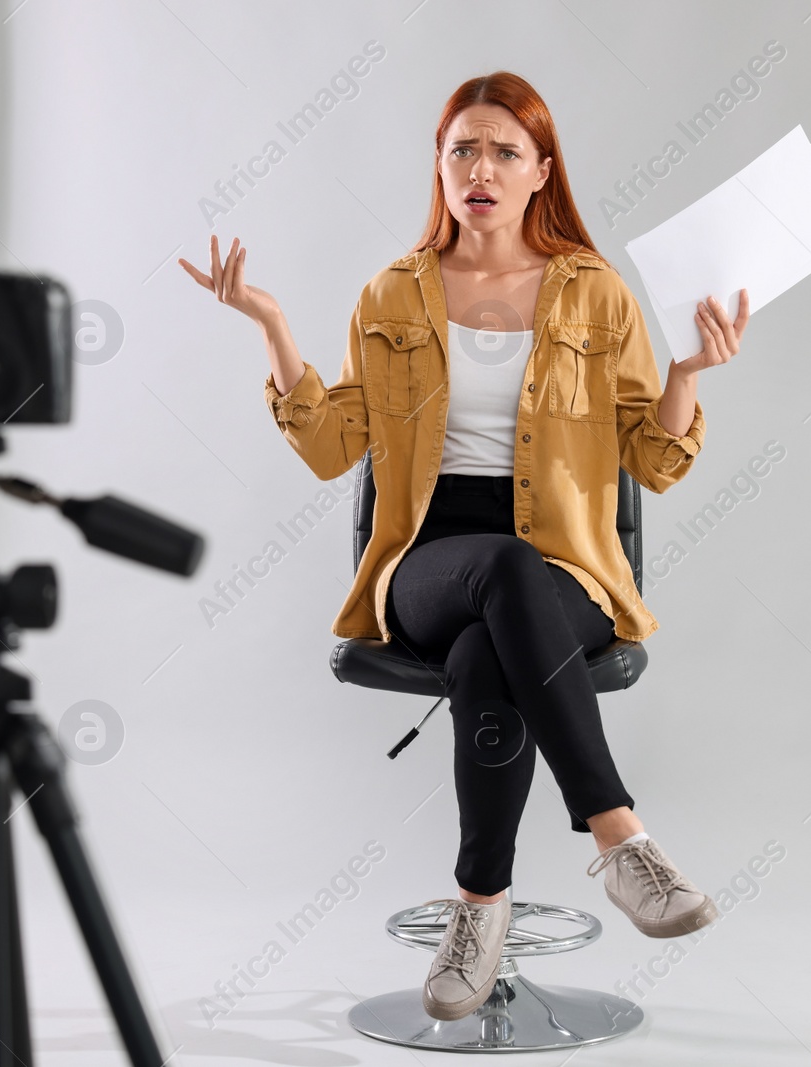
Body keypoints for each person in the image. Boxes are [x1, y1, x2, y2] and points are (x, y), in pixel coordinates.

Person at [180, 71, 747, 1022]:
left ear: (541, 172)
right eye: (461, 150)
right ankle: (620, 838)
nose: (479, 168)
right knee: (496, 572)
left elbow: (656, 460)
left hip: (566, 572)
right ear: (439, 168)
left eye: (503, 152)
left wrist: (687, 370)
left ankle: (479, 905)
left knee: (499, 635)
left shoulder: (598, 295)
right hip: (426, 567)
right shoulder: (392, 292)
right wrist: (272, 326)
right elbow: (330, 446)